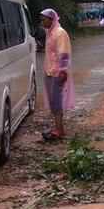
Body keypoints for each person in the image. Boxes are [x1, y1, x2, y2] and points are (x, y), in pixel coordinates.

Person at [40, 9, 75, 140]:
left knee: (57, 101)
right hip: (49, 71)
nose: (42, 22)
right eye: (41, 19)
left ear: (51, 19)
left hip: (57, 73)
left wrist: (62, 71)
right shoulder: (50, 33)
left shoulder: (60, 33)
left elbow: (64, 54)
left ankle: (60, 130)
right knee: (53, 101)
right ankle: (57, 128)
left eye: (44, 19)